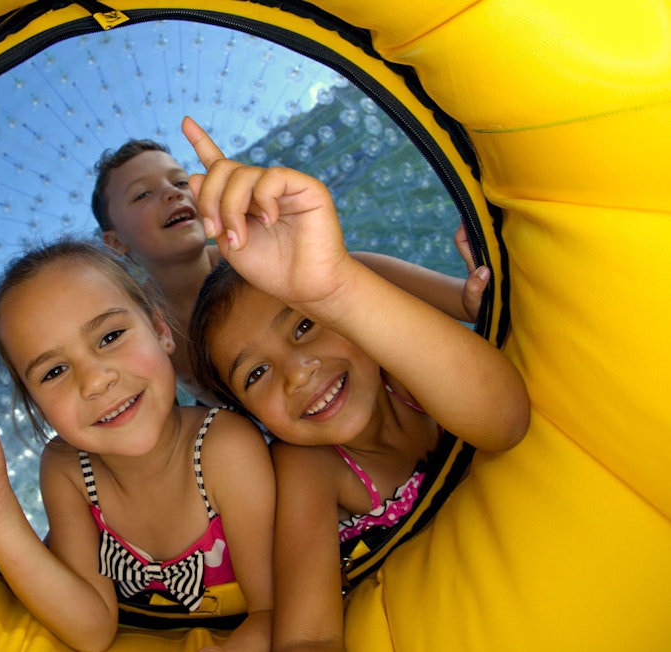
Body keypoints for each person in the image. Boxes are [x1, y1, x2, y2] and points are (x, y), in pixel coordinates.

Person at [181, 116, 530, 652]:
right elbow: (309, 636)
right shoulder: (308, 467)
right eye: (255, 375)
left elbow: (505, 421)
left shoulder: (409, 369)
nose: (298, 372)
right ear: (249, 415)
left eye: (304, 324)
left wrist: (335, 286)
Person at [0, 239, 275, 652]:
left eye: (110, 336)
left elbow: (273, 610)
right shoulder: (68, 469)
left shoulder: (225, 447)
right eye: (55, 371)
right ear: (37, 405)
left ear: (160, 330)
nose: (95, 380)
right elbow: (92, 631)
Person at [90, 139, 491, 404]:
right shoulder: (138, 330)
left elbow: (350, 274)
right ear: (115, 243)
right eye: (143, 194)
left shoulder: (246, 256)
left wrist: (463, 298)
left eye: (180, 180)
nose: (172, 192)